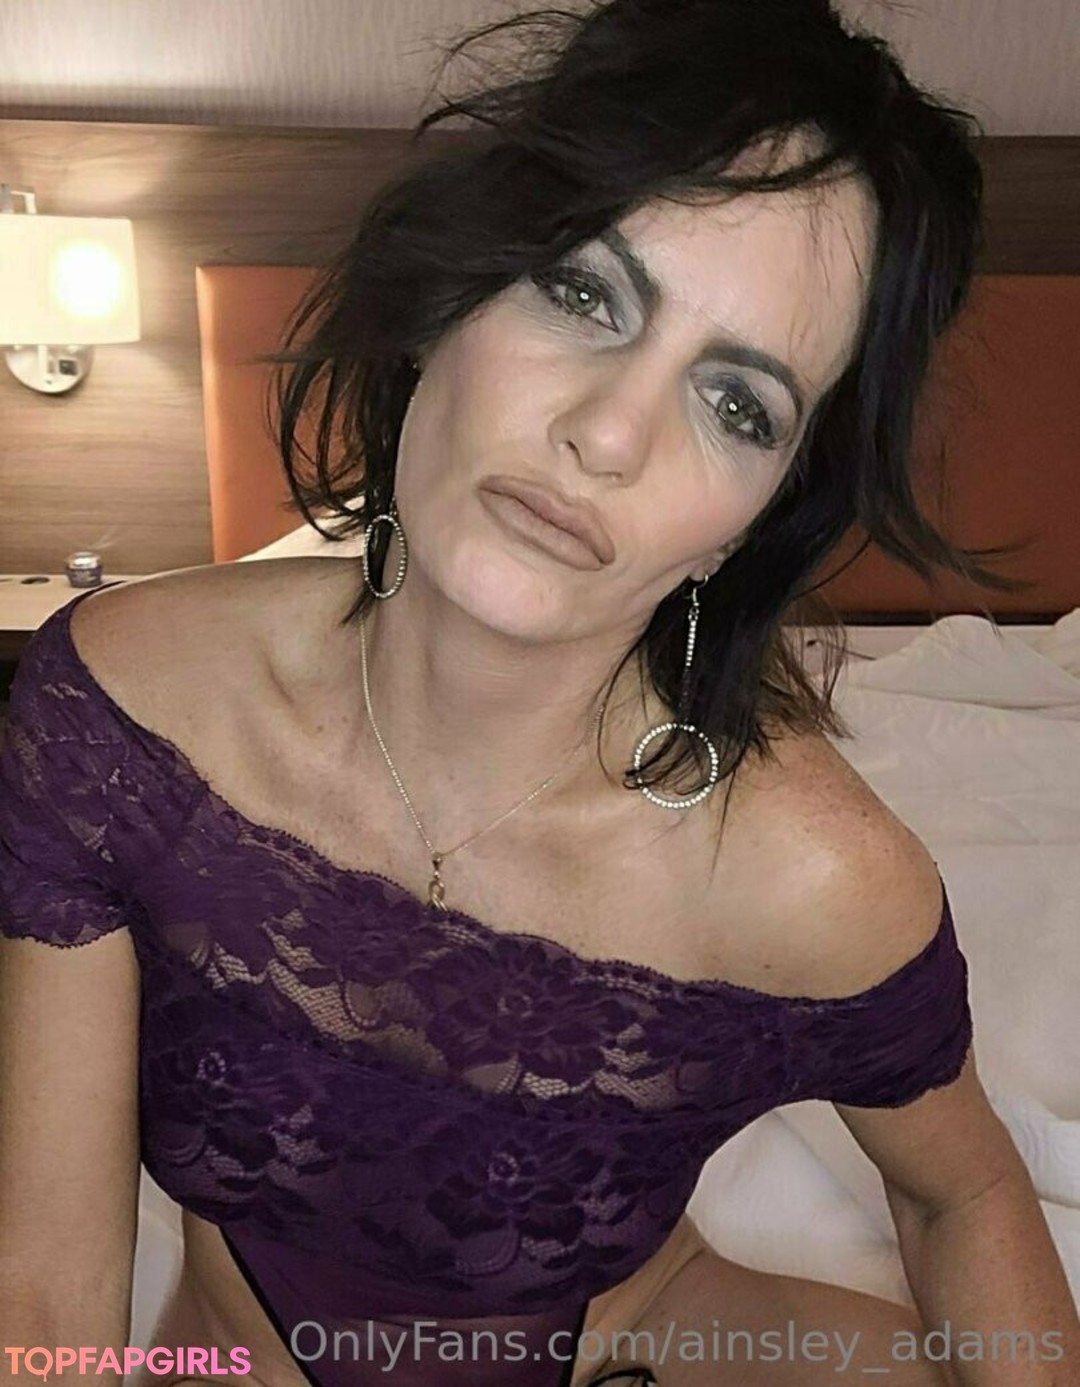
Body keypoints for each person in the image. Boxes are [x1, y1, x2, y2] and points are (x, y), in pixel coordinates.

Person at [1, 1, 1077, 1385]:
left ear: (750, 524)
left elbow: (965, 1190)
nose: (609, 433)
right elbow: (46, 1293)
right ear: (450, 294)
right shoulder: (125, 711)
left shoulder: (816, 874)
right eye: (582, 292)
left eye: (737, 405)